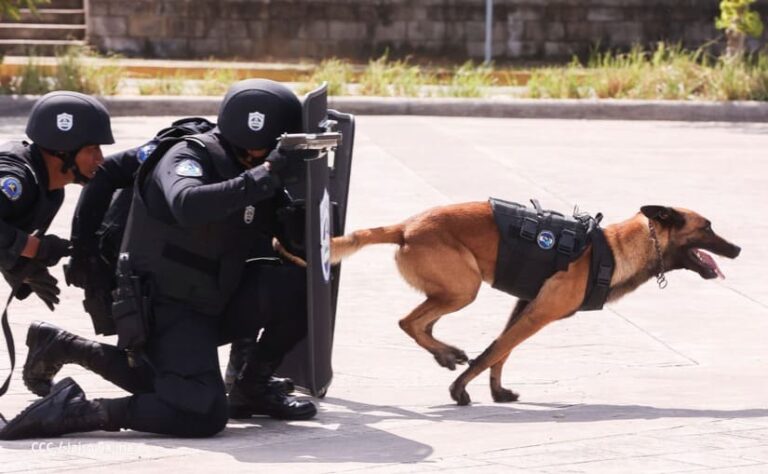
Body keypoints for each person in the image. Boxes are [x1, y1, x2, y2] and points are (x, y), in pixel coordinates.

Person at [0, 79, 315, 440]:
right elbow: (187, 203)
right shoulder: (188, 156)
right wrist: (267, 174)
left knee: (295, 288)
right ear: (255, 135)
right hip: (168, 305)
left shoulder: (245, 165)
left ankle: (251, 387)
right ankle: (80, 411)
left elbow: (106, 171)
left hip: (212, 292)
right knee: (202, 412)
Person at [0, 91, 113, 312]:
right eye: (92, 149)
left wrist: (23, 269)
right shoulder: (17, 178)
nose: (100, 159)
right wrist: (37, 248)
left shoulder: (52, 191)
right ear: (63, 151)